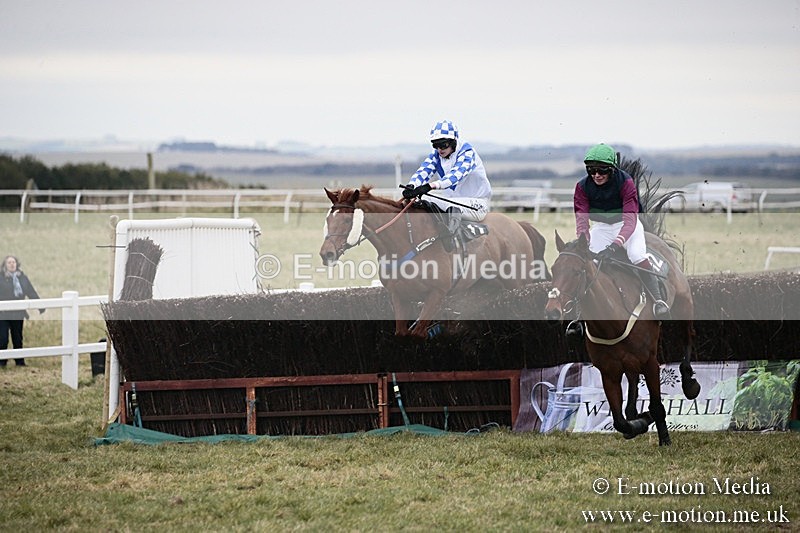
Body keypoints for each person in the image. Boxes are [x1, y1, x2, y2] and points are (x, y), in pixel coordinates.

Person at [573, 143, 670, 318]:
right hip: (601, 227)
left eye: (602, 170)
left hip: (626, 225)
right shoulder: (582, 187)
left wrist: (615, 245)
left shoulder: (625, 182)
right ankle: (580, 312)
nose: (596, 175)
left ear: (612, 169)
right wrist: (583, 241)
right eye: (591, 170)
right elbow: (581, 221)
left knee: (636, 255)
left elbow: (630, 220)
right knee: (588, 262)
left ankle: (658, 301)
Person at [402, 120, 492, 247]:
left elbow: (455, 176)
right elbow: (424, 171)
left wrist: (430, 186)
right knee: (421, 200)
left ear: (453, 142)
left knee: (443, 202)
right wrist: (411, 186)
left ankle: (451, 237)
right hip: (453, 201)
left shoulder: (467, 152)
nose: (439, 149)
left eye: (443, 145)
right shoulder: (436, 155)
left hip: (477, 205)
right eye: (435, 145)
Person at [0, 255, 43, 367]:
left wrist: (40, 306)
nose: (11, 264)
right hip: (3, 314)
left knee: (17, 337)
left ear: (17, 264)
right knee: (3, 338)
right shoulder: (1, 278)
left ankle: (19, 362)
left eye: (13, 262)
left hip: (18, 313)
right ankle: (1, 362)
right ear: (5, 265)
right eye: (9, 262)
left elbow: (31, 292)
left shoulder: (22, 278)